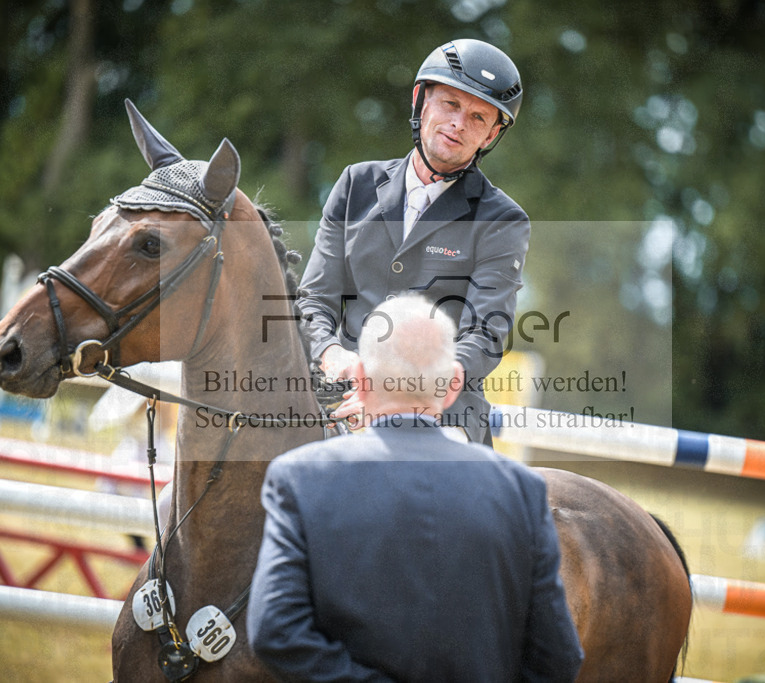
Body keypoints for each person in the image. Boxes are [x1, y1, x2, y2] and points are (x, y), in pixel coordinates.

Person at [247, 294, 584, 682]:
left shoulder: (299, 479)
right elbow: (558, 657)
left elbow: (276, 631)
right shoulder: (521, 491)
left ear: (359, 378)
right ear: (455, 384)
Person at [296, 38, 531, 445]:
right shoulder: (356, 184)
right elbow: (314, 300)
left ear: (492, 134)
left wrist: (407, 397)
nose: (459, 123)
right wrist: (333, 356)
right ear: (422, 102)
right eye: (451, 105)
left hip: (439, 407)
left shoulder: (502, 219)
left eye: (478, 117)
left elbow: (485, 332)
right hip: (341, 390)